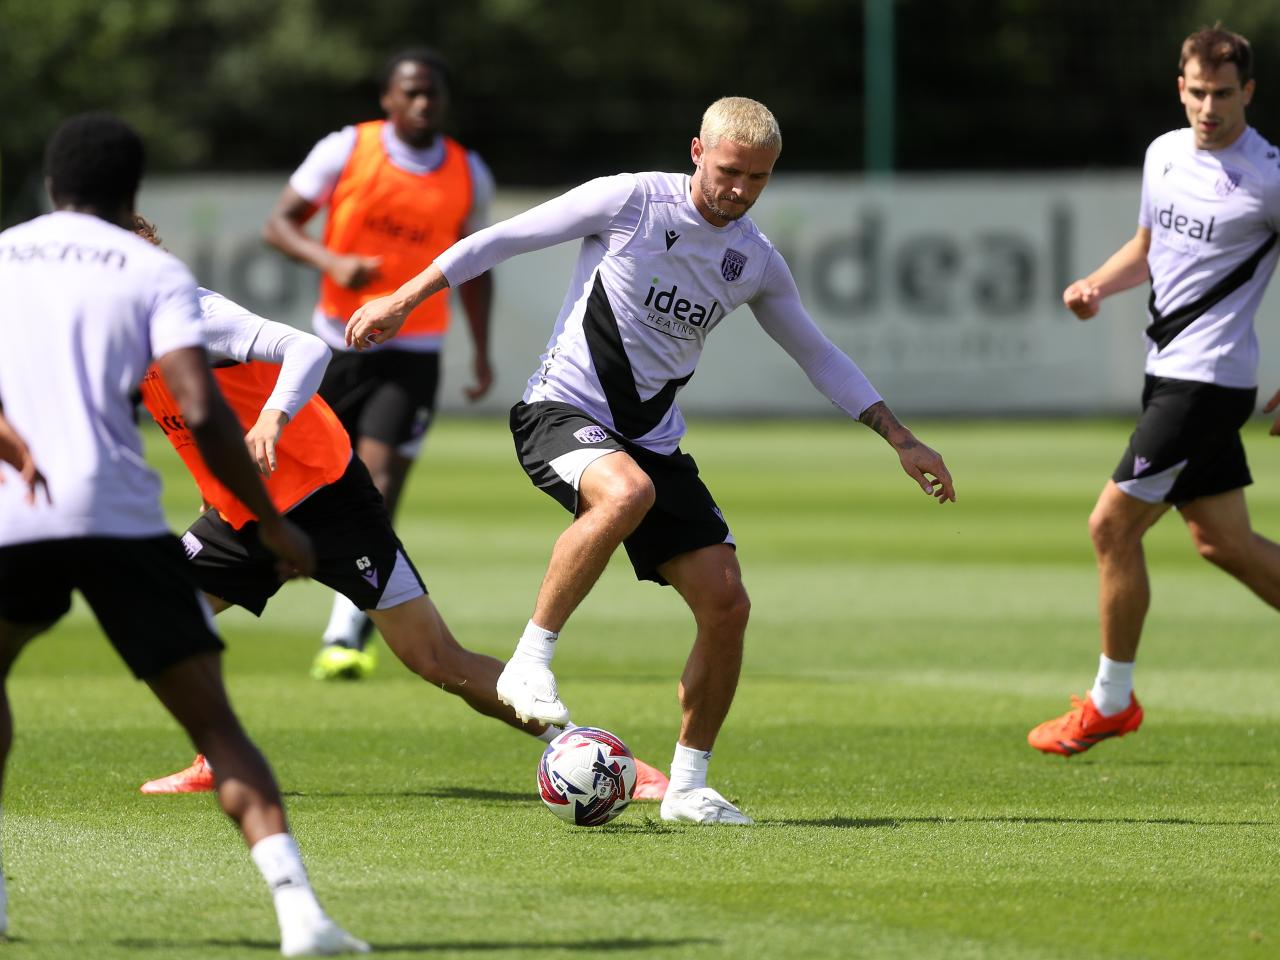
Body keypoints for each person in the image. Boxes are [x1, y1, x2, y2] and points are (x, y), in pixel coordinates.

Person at [346, 97, 956, 824]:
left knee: (727, 605)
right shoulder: (631, 199)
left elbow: (817, 352)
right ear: (697, 151)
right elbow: (500, 240)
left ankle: (690, 787)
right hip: (559, 413)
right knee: (624, 491)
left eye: (759, 178)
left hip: (653, 442)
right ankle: (530, 662)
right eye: (731, 171)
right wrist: (403, 300)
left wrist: (900, 437)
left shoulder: (754, 260)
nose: (741, 190)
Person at [130, 217, 668, 800]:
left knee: (435, 658)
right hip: (241, 515)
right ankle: (221, 756)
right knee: (160, 612)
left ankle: (617, 765)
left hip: (328, 503)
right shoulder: (120, 335)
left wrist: (273, 415)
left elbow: (305, 347)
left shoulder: (192, 318)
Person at [0, 114, 365, 955]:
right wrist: (271, 523)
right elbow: (201, 407)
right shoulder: (150, 267)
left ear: (54, 187)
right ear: (132, 193)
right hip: (120, 515)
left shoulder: (11, 252)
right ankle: (300, 915)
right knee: (217, 728)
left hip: (21, 508)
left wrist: (13, 444)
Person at [1028, 26, 1280, 757]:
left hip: (1209, 381)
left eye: (1224, 94)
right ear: (1181, 88)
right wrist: (1095, 287)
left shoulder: (1267, 176)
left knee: (1110, 527)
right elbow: (1147, 248)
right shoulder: (1164, 155)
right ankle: (1111, 701)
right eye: (1198, 93)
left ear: (1249, 93)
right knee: (1223, 542)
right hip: (1169, 373)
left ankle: (1110, 701)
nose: (1210, 107)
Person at [263, 46, 496, 680]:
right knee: (305, 476)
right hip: (335, 347)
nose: (423, 104)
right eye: (411, 93)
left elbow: (474, 268)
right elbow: (279, 225)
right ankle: (265, 574)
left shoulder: (468, 172)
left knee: (379, 479)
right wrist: (333, 265)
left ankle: (345, 626)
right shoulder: (346, 149)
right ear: (388, 99)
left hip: (412, 351)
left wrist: (479, 350)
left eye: (433, 94)